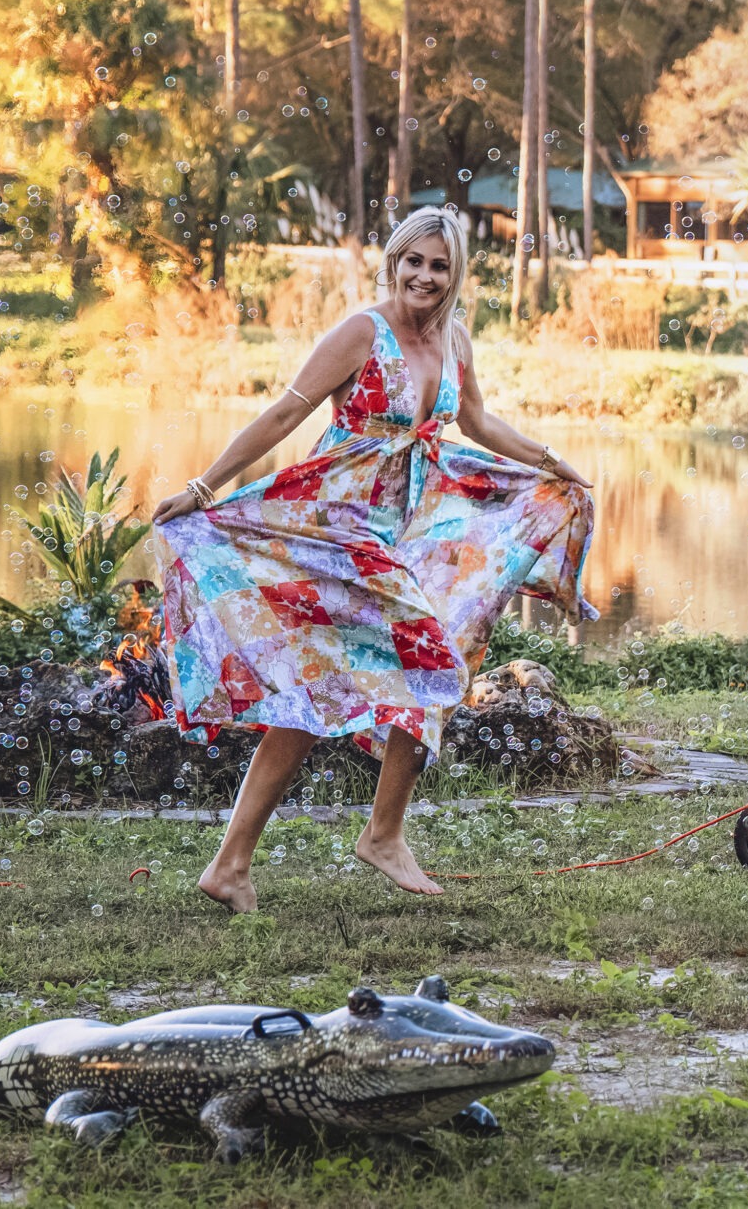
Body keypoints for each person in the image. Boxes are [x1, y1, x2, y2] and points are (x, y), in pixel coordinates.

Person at [148, 206, 595, 912]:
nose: (424, 274)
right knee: (439, 657)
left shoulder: (456, 342)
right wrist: (204, 485)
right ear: (394, 261)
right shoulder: (362, 332)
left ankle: (229, 866)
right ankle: (383, 833)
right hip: (332, 524)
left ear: (455, 274)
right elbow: (283, 415)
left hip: (400, 529)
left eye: (438, 264)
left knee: (312, 694)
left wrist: (550, 461)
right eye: (412, 260)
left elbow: (476, 422)